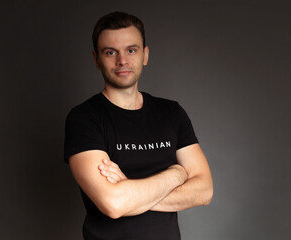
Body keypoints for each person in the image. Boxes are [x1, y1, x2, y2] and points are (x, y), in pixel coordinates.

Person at [64, 11, 213, 240]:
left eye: (131, 50)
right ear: (96, 59)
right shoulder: (84, 118)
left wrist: (129, 190)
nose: (122, 60)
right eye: (110, 52)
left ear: (145, 55)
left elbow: (204, 191)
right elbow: (114, 203)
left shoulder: (171, 113)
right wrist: (176, 174)